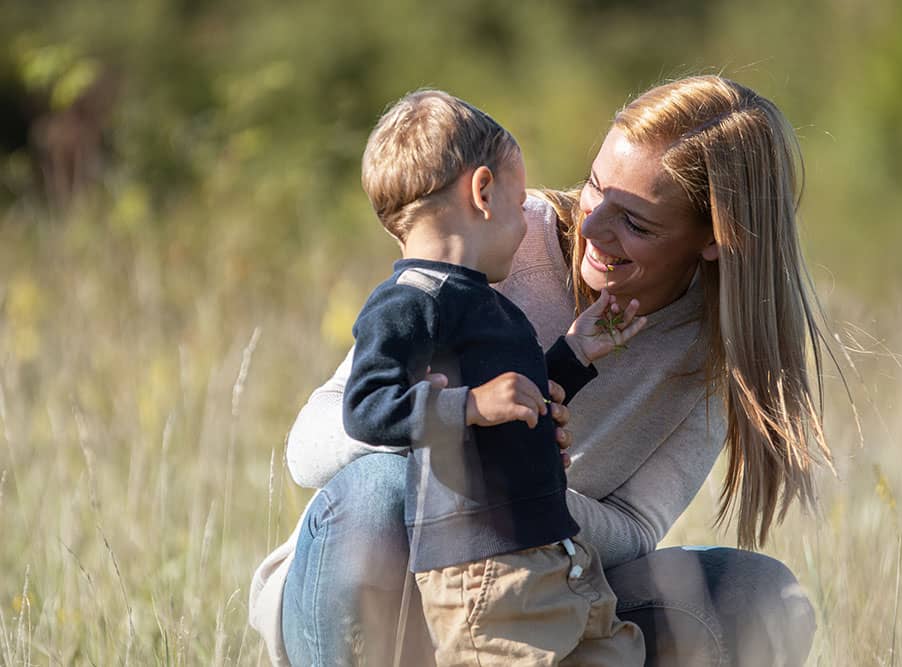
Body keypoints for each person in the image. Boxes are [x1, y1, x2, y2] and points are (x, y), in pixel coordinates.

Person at [250, 75, 831, 666]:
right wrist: (456, 430)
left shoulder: (713, 355)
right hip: (393, 585)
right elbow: (310, 445)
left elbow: (632, 530)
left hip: (539, 592)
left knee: (759, 597)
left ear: (714, 238)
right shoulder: (495, 236)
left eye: (637, 223)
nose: (593, 226)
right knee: (380, 487)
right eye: (596, 187)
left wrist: (530, 490)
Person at [341, 89, 647, 665]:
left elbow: (517, 399)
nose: (527, 224)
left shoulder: (486, 302)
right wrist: (469, 405)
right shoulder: (408, 302)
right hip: (484, 571)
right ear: (483, 191)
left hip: (551, 550)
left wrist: (575, 353)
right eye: (518, 202)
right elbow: (365, 407)